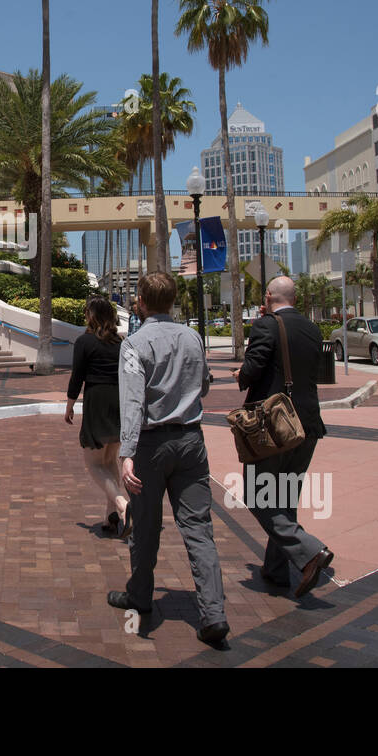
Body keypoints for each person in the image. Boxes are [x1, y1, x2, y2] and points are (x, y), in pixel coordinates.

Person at [107, 271, 229, 649]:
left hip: (150, 445)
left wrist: (125, 453)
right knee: (198, 527)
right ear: (173, 301)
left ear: (140, 302)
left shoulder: (135, 343)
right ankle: (213, 612)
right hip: (191, 440)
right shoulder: (192, 338)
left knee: (145, 526)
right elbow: (204, 383)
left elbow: (132, 402)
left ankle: (141, 596)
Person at [233, 275, 333, 599]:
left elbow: (252, 369)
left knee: (257, 495)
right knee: (285, 497)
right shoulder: (313, 328)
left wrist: (240, 373)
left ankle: (309, 550)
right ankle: (276, 570)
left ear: (269, 297)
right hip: (308, 426)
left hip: (275, 427)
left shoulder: (266, 325)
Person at [64, 297, 129, 537]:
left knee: (93, 463)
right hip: (118, 400)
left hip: (97, 400)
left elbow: (77, 377)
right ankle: (111, 516)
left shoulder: (84, 342)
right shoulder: (119, 343)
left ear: (91, 316)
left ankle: (122, 505)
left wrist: (69, 405)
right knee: (110, 460)